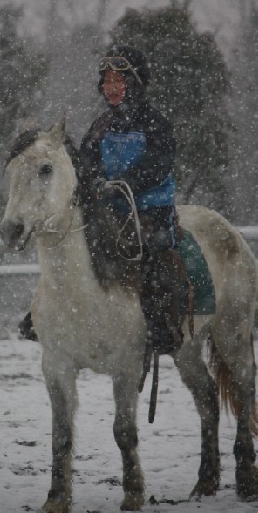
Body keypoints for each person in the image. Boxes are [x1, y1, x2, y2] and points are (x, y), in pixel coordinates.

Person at [78, 44, 182, 357]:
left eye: (118, 81)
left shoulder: (156, 123)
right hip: (112, 210)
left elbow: (160, 161)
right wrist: (95, 181)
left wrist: (125, 184)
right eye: (106, 81)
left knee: (151, 250)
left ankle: (159, 325)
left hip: (151, 208)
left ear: (134, 84)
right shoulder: (100, 127)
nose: (111, 88)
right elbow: (86, 161)